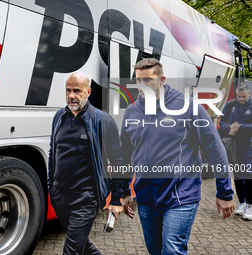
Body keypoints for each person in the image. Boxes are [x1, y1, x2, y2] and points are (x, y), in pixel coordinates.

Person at [121, 58, 235, 254]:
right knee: (154, 249)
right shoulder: (131, 112)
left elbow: (215, 150)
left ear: (162, 79)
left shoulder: (189, 107)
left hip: (181, 196)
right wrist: (123, 191)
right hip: (147, 199)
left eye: (148, 80)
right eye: (138, 80)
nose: (142, 86)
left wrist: (224, 192)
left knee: (172, 250)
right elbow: (124, 155)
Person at [48, 72, 133, 255]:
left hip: (85, 198)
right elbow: (52, 152)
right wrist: (51, 186)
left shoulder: (103, 120)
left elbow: (118, 161)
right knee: (81, 244)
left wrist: (117, 198)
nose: (71, 95)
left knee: (71, 250)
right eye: (68, 90)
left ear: (88, 91)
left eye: (77, 91)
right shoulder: (59, 117)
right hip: (59, 196)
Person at [219, 84, 252, 220]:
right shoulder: (230, 104)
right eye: (239, 96)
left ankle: (250, 205)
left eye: (243, 96)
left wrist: (240, 127)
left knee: (249, 174)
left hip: (249, 144)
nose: (241, 99)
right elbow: (222, 122)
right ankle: (242, 203)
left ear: (249, 94)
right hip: (234, 145)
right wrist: (229, 128)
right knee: (238, 173)